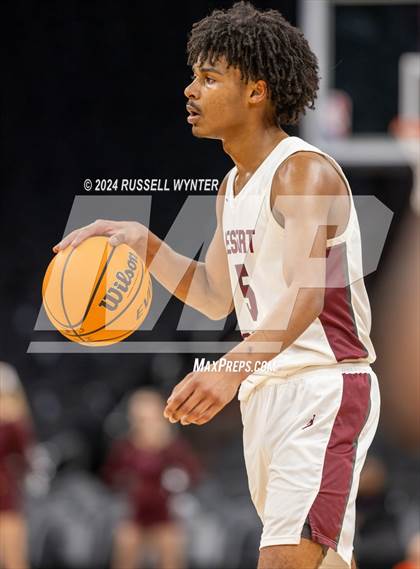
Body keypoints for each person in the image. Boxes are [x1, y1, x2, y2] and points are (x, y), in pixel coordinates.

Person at [53, 3, 380, 568]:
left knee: (283, 559)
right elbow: (213, 295)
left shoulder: (303, 172)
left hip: (321, 387)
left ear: (256, 91)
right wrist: (145, 243)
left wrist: (228, 369)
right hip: (267, 392)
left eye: (208, 78)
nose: (190, 90)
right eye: (194, 77)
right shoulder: (231, 189)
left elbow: (307, 296)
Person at [102, 389, 201, 569]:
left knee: (170, 544)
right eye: (141, 420)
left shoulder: (173, 448)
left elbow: (191, 475)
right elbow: (110, 476)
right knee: (126, 541)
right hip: (135, 516)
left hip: (166, 517)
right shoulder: (125, 448)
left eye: (151, 419)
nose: (146, 426)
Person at [0, 362, 34, 569]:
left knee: (13, 558)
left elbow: (25, 458)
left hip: (6, 498)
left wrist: (12, 422)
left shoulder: (14, 424)